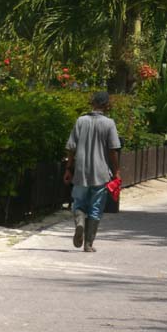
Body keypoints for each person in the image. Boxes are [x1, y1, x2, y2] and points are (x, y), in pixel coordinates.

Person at [63, 91, 121, 252]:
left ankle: (80, 223)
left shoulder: (80, 121)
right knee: (96, 208)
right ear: (106, 105)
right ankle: (88, 244)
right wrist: (116, 171)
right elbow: (113, 150)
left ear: (92, 103)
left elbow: (71, 147)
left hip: (80, 172)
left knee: (78, 203)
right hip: (101, 174)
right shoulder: (109, 123)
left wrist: (69, 169)